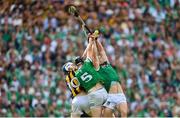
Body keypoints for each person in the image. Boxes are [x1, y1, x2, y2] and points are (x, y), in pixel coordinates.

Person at [81, 31, 128, 117]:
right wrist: (91, 42)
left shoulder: (107, 64)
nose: (100, 56)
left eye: (100, 56)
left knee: (124, 113)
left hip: (120, 94)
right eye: (98, 57)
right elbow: (94, 54)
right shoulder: (97, 68)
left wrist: (96, 40)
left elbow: (101, 50)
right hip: (110, 96)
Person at [73, 34, 108, 117]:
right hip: (103, 91)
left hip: (94, 95)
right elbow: (91, 53)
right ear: (82, 61)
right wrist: (91, 40)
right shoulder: (87, 64)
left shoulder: (77, 75)